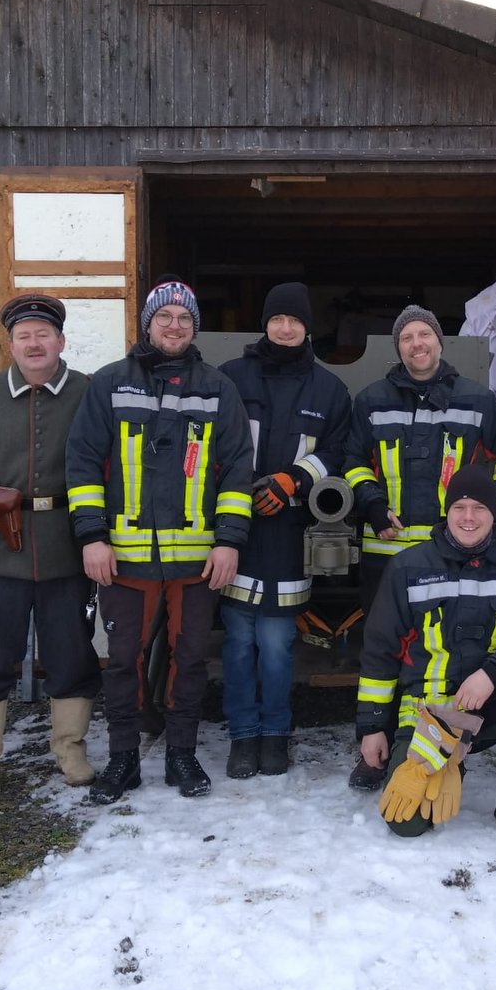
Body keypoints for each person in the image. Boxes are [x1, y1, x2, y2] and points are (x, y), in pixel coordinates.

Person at [66, 278, 253, 803]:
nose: (175, 326)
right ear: (148, 324)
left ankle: (181, 754)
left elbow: (238, 469)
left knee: (189, 659)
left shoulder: (218, 388)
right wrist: (92, 537)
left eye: (184, 318)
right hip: (124, 558)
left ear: (195, 327)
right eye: (165, 316)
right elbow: (82, 462)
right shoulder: (109, 383)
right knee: (123, 659)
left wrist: (228, 541)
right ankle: (123, 756)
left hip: (197, 560)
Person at [343, 305, 496, 790]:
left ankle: (443, 738)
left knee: (441, 652)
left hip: (455, 555)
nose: (417, 343)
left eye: (424, 334)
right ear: (398, 347)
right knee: (384, 651)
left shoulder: (476, 399)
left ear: (439, 343)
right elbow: (351, 458)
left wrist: (495, 501)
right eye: (407, 336)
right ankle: (377, 746)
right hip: (388, 553)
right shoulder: (371, 400)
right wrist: (371, 502)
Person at [0, 293, 101, 809]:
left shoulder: (89, 395)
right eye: (23, 336)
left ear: (61, 341)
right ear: (10, 344)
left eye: (43, 334)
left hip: (66, 551)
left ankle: (70, 751)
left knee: (71, 655)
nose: (34, 344)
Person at [356, 466, 496, 849]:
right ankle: (448, 761)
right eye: (460, 507)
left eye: (479, 508)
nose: (469, 517)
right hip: (429, 715)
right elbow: (379, 652)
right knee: (405, 823)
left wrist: (494, 673)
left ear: (493, 513)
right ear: (447, 510)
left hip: (492, 704)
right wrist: (372, 727)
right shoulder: (408, 567)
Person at [216, 283, 352, 779]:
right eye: (278, 319)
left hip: (291, 533)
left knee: (276, 645)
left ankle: (275, 733)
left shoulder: (329, 389)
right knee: (238, 641)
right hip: (237, 529)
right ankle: (242, 735)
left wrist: (292, 480)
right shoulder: (231, 377)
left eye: (295, 320)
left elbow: (337, 451)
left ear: (307, 327)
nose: (286, 327)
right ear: (266, 323)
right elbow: (216, 444)